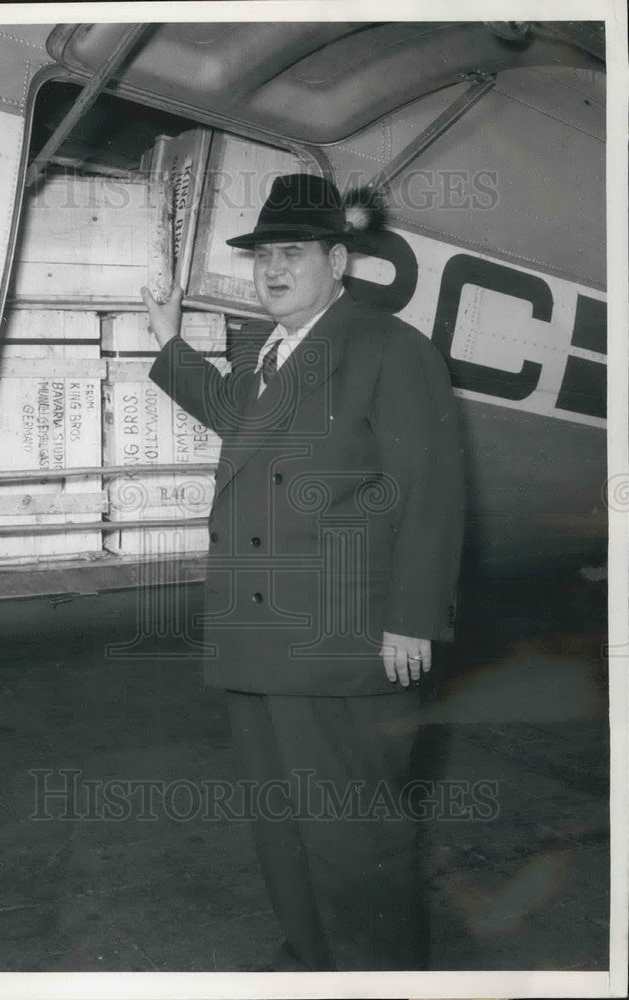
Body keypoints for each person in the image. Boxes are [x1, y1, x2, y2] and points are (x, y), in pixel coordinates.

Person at [141, 173, 465, 971]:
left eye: (292, 253)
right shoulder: (271, 354)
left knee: (353, 839)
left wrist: (411, 618)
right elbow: (238, 424)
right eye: (262, 257)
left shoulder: (389, 349)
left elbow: (430, 493)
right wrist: (167, 345)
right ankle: (314, 964)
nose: (272, 270)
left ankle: (378, 980)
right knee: (282, 828)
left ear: (337, 261)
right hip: (259, 640)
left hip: (343, 644)